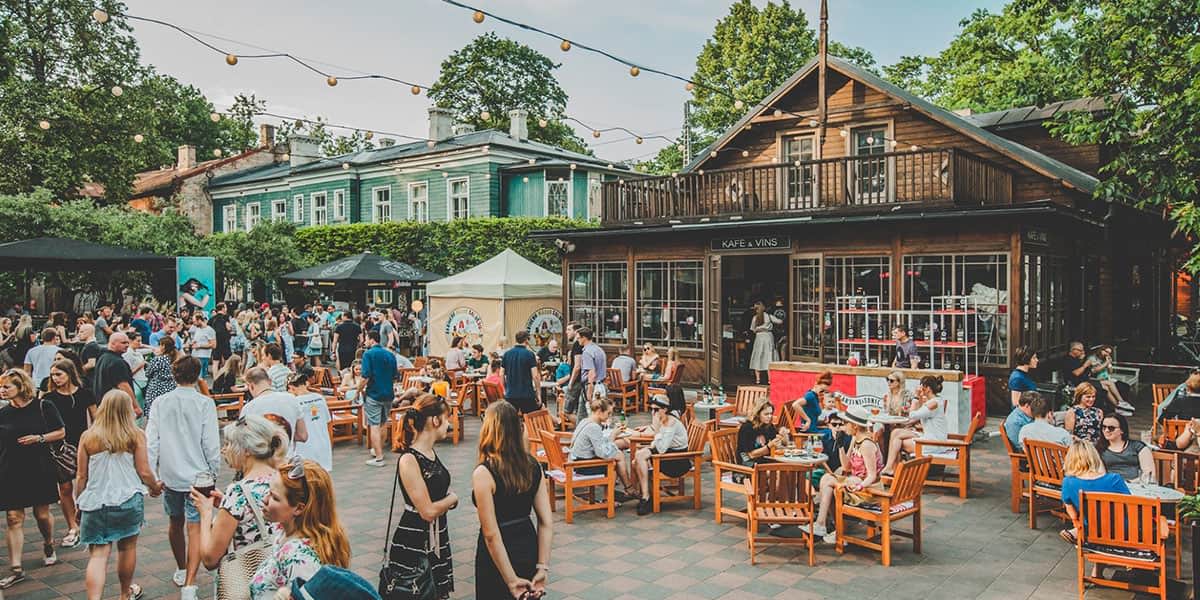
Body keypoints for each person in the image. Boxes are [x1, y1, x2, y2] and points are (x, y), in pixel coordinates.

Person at [75, 389, 163, 600]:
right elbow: (144, 471)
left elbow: (81, 476)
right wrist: (154, 487)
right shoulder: (135, 435)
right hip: (127, 498)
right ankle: (125, 593)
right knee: (127, 548)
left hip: (96, 500)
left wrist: (79, 503)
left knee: (98, 554)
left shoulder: (88, 437)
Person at [145, 356, 220, 600]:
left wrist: (152, 476)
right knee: (195, 528)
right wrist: (214, 471)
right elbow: (211, 443)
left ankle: (181, 568)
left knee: (174, 523)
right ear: (198, 375)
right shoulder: (204, 403)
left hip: (169, 474)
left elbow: (151, 441)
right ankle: (190, 583)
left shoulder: (160, 402)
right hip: (199, 476)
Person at [473, 401, 552, 599]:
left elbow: (491, 534)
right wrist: (542, 566)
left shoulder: (484, 472)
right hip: (526, 541)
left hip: (497, 553)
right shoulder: (533, 466)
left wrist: (511, 580)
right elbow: (546, 521)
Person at [191, 415, 287, 571]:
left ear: (247, 450)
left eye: (229, 444)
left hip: (253, 575)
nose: (224, 449)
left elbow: (210, 559)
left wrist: (205, 512)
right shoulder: (283, 478)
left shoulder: (237, 493)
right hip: (284, 569)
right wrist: (226, 505)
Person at [245, 459, 351, 599]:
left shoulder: (300, 559)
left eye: (275, 498)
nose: (265, 499)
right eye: (268, 491)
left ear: (299, 508)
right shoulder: (285, 530)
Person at [386, 394, 458, 598]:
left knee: (435, 590)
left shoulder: (430, 453)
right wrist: (452, 499)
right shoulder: (409, 459)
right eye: (447, 417)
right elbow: (427, 511)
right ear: (435, 420)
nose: (449, 423)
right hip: (415, 540)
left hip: (435, 536)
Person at [0, 369, 65, 589]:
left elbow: (60, 432)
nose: (2, 390)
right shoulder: (3, 412)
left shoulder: (43, 406)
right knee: (13, 517)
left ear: (20, 387)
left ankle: (48, 543)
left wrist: (39, 438)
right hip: (10, 468)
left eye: (7, 386)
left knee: (41, 514)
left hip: (39, 466)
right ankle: (16, 567)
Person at [43, 359, 98, 549]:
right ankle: (72, 526)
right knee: (65, 488)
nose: (55, 378)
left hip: (83, 444)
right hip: (60, 446)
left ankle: (87, 519)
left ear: (69, 373)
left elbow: (96, 418)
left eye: (59, 374)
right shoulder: (49, 398)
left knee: (86, 483)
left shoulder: (84, 393)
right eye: (53, 375)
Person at [809, 405, 882, 543]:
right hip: (857, 482)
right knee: (826, 479)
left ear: (854, 426)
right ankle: (824, 525)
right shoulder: (856, 440)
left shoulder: (866, 444)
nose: (843, 426)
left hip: (869, 490)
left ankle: (827, 527)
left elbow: (872, 476)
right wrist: (840, 445)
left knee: (831, 484)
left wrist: (859, 486)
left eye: (845, 423)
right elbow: (846, 466)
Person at [1059, 439, 1130, 552]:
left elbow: (1072, 514)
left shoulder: (1068, 482)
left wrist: (1077, 524)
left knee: (1086, 521)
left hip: (1093, 534)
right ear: (1095, 457)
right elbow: (1130, 505)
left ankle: (1076, 531)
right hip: (1122, 533)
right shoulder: (1114, 479)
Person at [568, 396, 637, 500]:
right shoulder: (593, 427)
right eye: (608, 413)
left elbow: (599, 445)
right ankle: (615, 495)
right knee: (615, 459)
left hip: (576, 460)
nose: (610, 416)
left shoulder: (585, 421)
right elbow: (604, 454)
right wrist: (613, 435)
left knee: (617, 454)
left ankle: (626, 489)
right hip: (581, 466)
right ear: (600, 411)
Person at [631, 395, 691, 515]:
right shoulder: (664, 419)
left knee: (639, 459)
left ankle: (646, 497)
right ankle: (647, 495)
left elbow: (662, 448)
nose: (653, 413)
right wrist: (651, 446)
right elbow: (658, 444)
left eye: (656, 410)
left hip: (677, 459)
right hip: (667, 453)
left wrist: (657, 430)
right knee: (637, 457)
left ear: (665, 409)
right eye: (651, 409)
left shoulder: (671, 423)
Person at [881, 375, 951, 476]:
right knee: (896, 432)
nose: (919, 388)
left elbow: (912, 415)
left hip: (934, 444)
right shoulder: (934, 401)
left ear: (927, 388)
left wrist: (916, 397)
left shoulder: (933, 404)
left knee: (898, 442)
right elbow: (917, 416)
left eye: (921, 386)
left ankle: (893, 470)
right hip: (929, 437)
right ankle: (890, 468)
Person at [241, 367, 309, 447]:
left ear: (250, 386)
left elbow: (244, 442)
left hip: (261, 457)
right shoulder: (291, 399)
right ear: (270, 382)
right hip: (287, 457)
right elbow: (303, 436)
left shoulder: (248, 408)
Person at [358, 331, 397, 466]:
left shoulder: (368, 354)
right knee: (383, 423)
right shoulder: (390, 355)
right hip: (388, 393)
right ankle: (378, 450)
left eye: (366, 339)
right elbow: (394, 375)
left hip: (374, 393)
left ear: (371, 339)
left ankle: (378, 456)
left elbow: (365, 376)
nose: (364, 341)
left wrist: (358, 390)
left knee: (374, 425)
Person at [288, 373, 332, 472]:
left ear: (291, 387)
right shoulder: (320, 398)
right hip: (323, 443)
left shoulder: (294, 402)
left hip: (304, 446)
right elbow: (327, 420)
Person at [1097, 412, 1153, 482]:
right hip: (1110, 486)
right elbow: (1100, 475)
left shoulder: (1138, 447)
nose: (1106, 430)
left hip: (1136, 485)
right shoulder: (1099, 449)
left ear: (1122, 430)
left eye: (1111, 428)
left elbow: (1149, 474)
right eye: (1104, 427)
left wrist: (1130, 482)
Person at [93, 333, 138, 417]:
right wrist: (135, 407)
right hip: (116, 407)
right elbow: (123, 385)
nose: (127, 345)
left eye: (128, 343)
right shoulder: (117, 362)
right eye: (123, 343)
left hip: (104, 405)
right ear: (113, 343)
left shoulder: (103, 357)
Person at [790, 370, 834, 456]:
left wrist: (822, 422)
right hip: (810, 433)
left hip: (815, 429)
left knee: (836, 432)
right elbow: (795, 404)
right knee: (832, 435)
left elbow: (812, 414)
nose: (822, 393)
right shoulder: (810, 396)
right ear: (816, 384)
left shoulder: (815, 396)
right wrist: (807, 420)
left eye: (824, 392)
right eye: (821, 390)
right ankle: (829, 460)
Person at [501, 330, 541, 415]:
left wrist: (505, 389)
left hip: (511, 394)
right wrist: (538, 393)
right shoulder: (530, 354)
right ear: (526, 340)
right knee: (529, 420)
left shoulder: (507, 354)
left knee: (511, 421)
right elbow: (535, 376)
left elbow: (501, 374)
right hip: (527, 394)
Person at [736, 396, 782, 469]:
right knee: (778, 473)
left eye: (771, 413)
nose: (769, 417)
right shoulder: (747, 428)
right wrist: (769, 446)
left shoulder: (768, 425)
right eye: (766, 414)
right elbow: (751, 455)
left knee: (786, 470)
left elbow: (777, 440)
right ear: (758, 414)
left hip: (762, 461)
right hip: (746, 465)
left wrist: (782, 436)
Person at [1090, 345, 1133, 415]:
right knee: (1108, 386)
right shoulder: (1092, 358)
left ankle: (1120, 406)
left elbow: (1110, 372)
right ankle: (1121, 403)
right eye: (1106, 352)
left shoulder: (1105, 359)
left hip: (1107, 378)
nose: (1107, 354)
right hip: (1096, 379)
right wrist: (1106, 363)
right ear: (1101, 350)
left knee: (1124, 386)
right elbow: (1094, 370)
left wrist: (1109, 364)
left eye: (1109, 353)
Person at [143, 335, 179, 417]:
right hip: (171, 387)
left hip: (156, 387)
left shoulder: (158, 359)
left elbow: (148, 373)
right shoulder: (175, 359)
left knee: (154, 413)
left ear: (163, 346)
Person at [748, 301, 781, 384]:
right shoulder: (769, 316)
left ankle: (758, 379)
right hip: (768, 337)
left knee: (758, 356)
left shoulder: (754, 318)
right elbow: (780, 321)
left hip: (759, 338)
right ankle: (770, 380)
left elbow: (752, 329)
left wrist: (759, 329)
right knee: (769, 357)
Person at [577, 328, 607, 416]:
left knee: (585, 416)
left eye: (578, 338)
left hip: (591, 386)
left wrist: (589, 393)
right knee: (600, 414)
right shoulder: (599, 350)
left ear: (584, 338)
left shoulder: (587, 352)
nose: (577, 340)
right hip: (601, 385)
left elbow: (591, 373)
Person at [123, 331, 148, 410]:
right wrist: (140, 366)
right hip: (135, 382)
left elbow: (152, 349)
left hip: (142, 380)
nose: (140, 343)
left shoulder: (137, 352)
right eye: (138, 341)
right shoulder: (127, 354)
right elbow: (128, 372)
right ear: (130, 341)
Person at [187, 313, 217, 381]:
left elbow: (213, 345)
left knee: (200, 378)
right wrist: (192, 343)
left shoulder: (210, 330)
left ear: (199, 320)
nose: (193, 323)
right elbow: (197, 340)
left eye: (194, 321)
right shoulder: (197, 329)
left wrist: (199, 346)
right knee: (195, 378)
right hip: (195, 355)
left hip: (203, 356)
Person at [209, 302, 233, 373]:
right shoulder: (225, 317)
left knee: (215, 361)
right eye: (225, 307)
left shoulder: (212, 319)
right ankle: (225, 375)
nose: (226, 309)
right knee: (227, 360)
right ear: (223, 308)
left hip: (216, 341)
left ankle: (215, 378)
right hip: (224, 340)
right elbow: (229, 327)